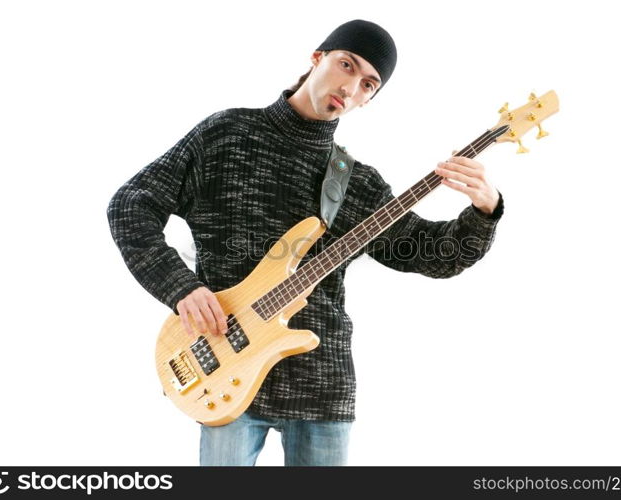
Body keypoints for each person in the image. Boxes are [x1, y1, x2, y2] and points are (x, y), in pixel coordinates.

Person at [107, 19, 504, 466]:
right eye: (346, 65)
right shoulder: (226, 135)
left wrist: (484, 210)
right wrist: (181, 288)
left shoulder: (358, 184)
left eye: (368, 84)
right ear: (318, 57)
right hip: (223, 370)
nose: (351, 87)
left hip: (322, 385)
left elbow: (434, 255)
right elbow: (131, 206)